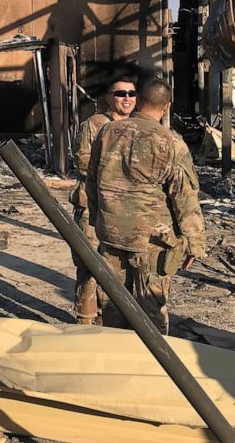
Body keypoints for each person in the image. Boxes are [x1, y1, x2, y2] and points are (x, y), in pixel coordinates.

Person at [85, 78, 205, 334]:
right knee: (151, 311)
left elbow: (92, 180)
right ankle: (151, 366)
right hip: (151, 243)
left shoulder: (108, 132)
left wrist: (98, 219)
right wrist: (194, 242)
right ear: (167, 106)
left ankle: (117, 361)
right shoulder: (171, 142)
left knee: (113, 306)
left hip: (111, 235)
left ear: (138, 100)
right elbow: (184, 197)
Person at [70, 76, 138, 324]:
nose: (127, 98)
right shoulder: (95, 124)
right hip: (93, 206)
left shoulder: (138, 126)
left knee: (118, 268)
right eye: (121, 93)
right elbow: (83, 161)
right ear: (109, 97)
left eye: (131, 93)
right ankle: (84, 321)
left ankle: (109, 319)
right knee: (89, 265)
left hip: (124, 211)